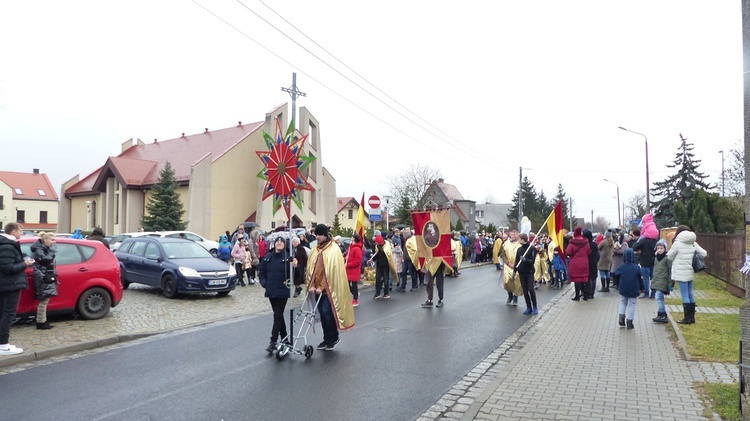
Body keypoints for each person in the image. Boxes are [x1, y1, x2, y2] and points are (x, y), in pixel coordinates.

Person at [307, 224, 354, 350]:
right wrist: (311, 284)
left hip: (328, 289)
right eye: (316, 234)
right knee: (322, 313)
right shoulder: (315, 249)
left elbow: (331, 272)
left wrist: (321, 287)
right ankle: (326, 338)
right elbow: (311, 269)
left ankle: (334, 337)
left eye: (320, 234)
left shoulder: (333, 249)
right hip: (316, 288)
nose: (317, 237)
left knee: (326, 311)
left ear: (325, 234)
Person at [258, 237, 298, 353]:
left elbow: (297, 274)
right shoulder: (268, 257)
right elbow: (261, 273)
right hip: (271, 290)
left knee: (277, 315)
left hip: (282, 290)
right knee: (278, 315)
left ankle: (273, 341)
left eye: (281, 242)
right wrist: (265, 283)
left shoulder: (287, 258)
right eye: (277, 242)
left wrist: (295, 266)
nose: (279, 243)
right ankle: (285, 339)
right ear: (274, 244)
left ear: (284, 245)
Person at [0, 223, 34, 355]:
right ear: (13, 232)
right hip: (10, 285)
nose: (22, 233)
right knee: (8, 314)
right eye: (21, 230)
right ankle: (3, 344)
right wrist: (24, 264)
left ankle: (2, 343)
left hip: (6, 284)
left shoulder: (6, 244)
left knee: (3, 313)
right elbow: (7, 268)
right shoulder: (7, 246)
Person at [667, 225, 707, 325]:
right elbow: (704, 254)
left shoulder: (677, 243)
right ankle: (692, 317)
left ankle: (687, 318)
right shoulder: (693, 243)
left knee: (685, 295)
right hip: (690, 271)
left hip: (681, 273)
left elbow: (670, 257)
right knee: (690, 293)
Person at [31, 232, 58, 329]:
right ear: (45, 240)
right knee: (44, 299)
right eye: (52, 240)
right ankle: (41, 322)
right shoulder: (39, 250)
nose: (54, 242)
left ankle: (43, 320)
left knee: (45, 299)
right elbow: (46, 261)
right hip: (43, 276)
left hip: (46, 275)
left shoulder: (44, 249)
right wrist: (52, 252)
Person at [615, 249, 644, 329]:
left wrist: (618, 285)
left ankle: (621, 317)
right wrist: (642, 287)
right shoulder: (636, 267)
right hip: (634, 288)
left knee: (623, 302)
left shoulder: (621, 266)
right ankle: (629, 322)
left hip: (623, 287)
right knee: (632, 304)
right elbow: (640, 278)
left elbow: (616, 276)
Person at [633, 214, 658, 298]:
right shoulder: (655, 240)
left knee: (646, 279)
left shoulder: (643, 239)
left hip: (644, 261)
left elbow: (634, 247)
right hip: (653, 261)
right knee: (653, 278)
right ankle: (653, 294)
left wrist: (639, 250)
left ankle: (647, 294)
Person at [515, 233, 538, 315]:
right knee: (525, 291)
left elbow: (532, 261)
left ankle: (535, 306)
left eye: (519, 239)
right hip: (522, 272)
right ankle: (529, 307)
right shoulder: (519, 250)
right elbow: (516, 261)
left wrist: (525, 260)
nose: (518, 240)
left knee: (530, 289)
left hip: (529, 272)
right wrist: (515, 271)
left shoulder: (531, 249)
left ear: (523, 240)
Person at [651, 239, 673, 323]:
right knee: (660, 298)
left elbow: (670, 271)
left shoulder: (667, 258)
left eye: (661, 248)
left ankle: (662, 314)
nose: (660, 250)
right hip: (657, 281)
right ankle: (661, 314)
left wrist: (670, 283)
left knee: (658, 297)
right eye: (658, 248)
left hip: (663, 281)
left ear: (665, 249)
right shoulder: (656, 258)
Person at [566, 227, 591, 301]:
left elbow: (568, 252)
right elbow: (589, 252)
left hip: (575, 263)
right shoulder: (586, 242)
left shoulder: (572, 243)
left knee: (577, 279)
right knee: (584, 279)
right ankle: (585, 296)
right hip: (584, 263)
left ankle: (577, 296)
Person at [501, 230, 522, 305]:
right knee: (507, 282)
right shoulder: (506, 243)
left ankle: (515, 298)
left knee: (516, 282)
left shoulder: (520, 244)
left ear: (517, 235)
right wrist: (508, 263)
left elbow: (522, 255)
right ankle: (510, 295)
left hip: (517, 266)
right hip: (508, 266)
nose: (513, 236)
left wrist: (515, 265)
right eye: (512, 235)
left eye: (514, 235)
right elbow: (503, 255)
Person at [370, 235, 391, 299]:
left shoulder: (386, 245)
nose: (375, 243)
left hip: (385, 265)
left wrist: (378, 246)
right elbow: (377, 254)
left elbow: (384, 253)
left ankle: (386, 293)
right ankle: (377, 293)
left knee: (386, 279)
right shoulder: (377, 247)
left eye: (376, 242)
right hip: (379, 265)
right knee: (378, 279)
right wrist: (372, 259)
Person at [345, 233, 363, 306]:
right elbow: (348, 256)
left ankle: (355, 300)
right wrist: (344, 259)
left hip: (354, 270)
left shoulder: (357, 249)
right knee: (347, 284)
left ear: (354, 239)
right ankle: (354, 293)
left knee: (354, 285)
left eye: (352, 237)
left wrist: (348, 265)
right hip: (348, 270)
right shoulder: (350, 247)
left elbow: (358, 261)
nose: (351, 238)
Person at [583, 229, 599, 300]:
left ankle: (589, 292)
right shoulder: (595, 244)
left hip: (587, 262)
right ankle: (592, 293)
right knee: (594, 278)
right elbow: (598, 254)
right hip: (594, 262)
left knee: (589, 278)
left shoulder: (585, 244)